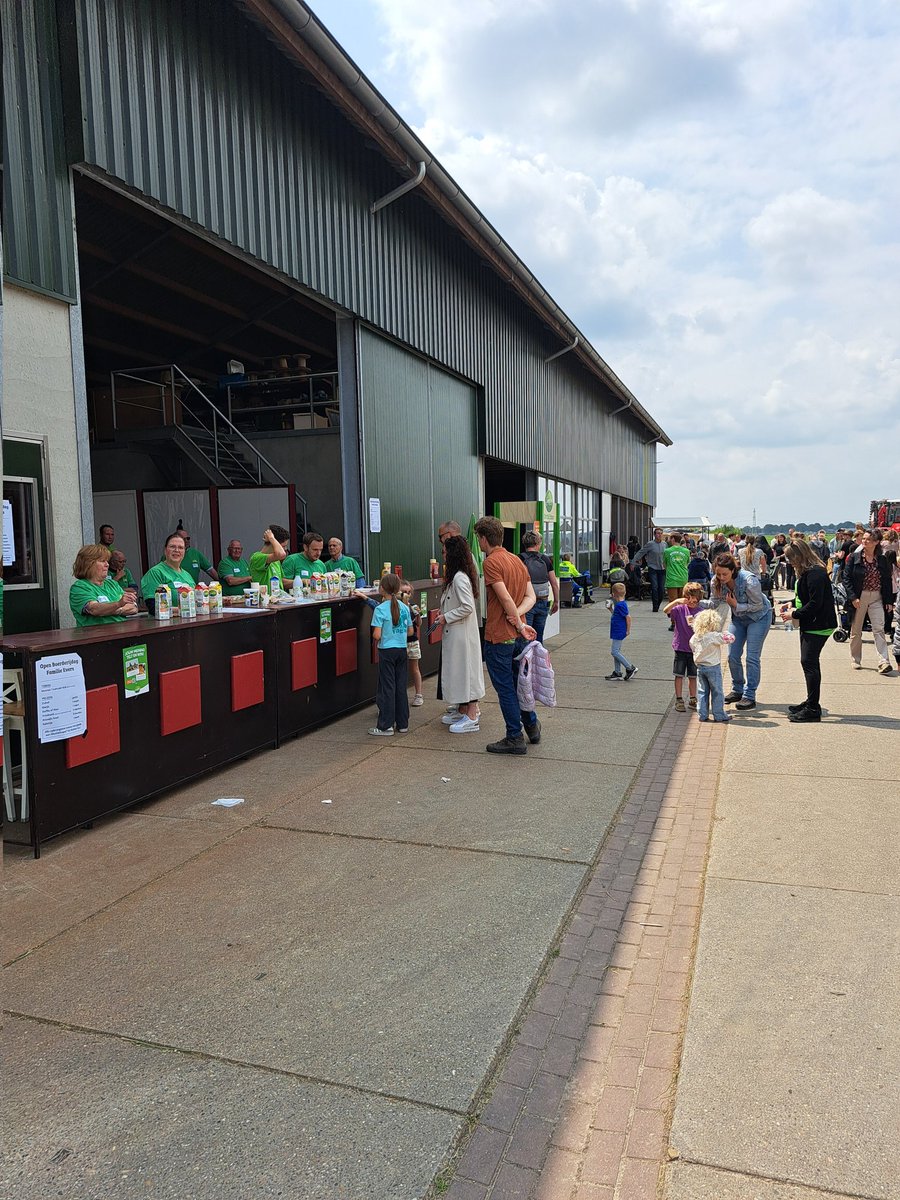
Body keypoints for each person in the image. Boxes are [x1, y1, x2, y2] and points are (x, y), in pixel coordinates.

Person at [475, 515, 538, 755]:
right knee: (518, 683)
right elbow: (530, 597)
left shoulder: (491, 562)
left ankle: (514, 736)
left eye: (478, 539)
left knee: (506, 688)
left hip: (499, 636)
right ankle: (531, 725)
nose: (479, 544)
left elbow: (504, 598)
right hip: (517, 636)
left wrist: (517, 622)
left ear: (483, 538)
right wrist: (519, 620)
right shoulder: (517, 560)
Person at [676, 552, 772, 709]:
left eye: (724, 574)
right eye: (718, 573)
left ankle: (749, 695)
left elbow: (758, 605)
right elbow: (714, 603)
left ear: (733, 570)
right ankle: (737, 689)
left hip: (759, 618)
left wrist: (736, 605)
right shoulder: (716, 581)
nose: (721, 577)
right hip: (739, 619)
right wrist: (696, 602)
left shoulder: (749, 580)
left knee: (752, 657)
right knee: (733, 655)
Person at [780, 540, 838, 722]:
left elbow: (815, 604)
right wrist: (791, 603)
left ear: (799, 556)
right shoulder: (810, 572)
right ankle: (812, 702)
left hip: (818, 624)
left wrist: (794, 613)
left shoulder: (815, 574)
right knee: (808, 663)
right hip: (811, 623)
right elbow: (804, 596)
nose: (789, 562)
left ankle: (813, 708)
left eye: (791, 558)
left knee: (809, 662)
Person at [433, 535, 485, 734]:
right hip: (458, 634)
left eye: (445, 551)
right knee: (462, 672)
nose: (443, 555)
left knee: (466, 672)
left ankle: (471, 715)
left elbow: (467, 607)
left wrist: (446, 616)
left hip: (461, 636)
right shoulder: (459, 576)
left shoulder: (459, 578)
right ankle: (465, 709)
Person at [843, 528, 893, 673]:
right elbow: (846, 579)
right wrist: (853, 597)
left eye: (868, 540)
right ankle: (855, 659)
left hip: (877, 597)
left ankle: (884, 661)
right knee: (856, 630)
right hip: (859, 597)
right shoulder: (854, 557)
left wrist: (888, 600)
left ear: (876, 542)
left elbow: (887, 580)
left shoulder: (882, 559)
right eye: (863, 539)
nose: (864, 541)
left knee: (879, 629)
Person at [367, 573, 412, 736]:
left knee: (387, 687)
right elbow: (410, 631)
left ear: (383, 589)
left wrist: (376, 636)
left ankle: (386, 725)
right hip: (401, 649)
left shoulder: (379, 609)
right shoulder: (405, 608)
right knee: (401, 686)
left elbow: (377, 635)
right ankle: (403, 723)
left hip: (386, 651)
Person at [70, 544, 139, 627]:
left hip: (121, 634)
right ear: (89, 564)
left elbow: (134, 608)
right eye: (103, 561)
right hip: (97, 637)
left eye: (107, 561)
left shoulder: (112, 584)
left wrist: (112, 609)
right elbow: (94, 609)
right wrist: (118, 604)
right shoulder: (79, 587)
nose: (107, 565)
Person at [688, 609, 735, 723]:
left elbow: (692, 646)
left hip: (700, 667)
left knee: (702, 691)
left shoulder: (696, 636)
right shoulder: (713, 636)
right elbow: (731, 638)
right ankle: (719, 714)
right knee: (717, 691)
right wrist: (726, 632)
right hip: (713, 667)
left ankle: (702, 714)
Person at [663, 582, 703, 710]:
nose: (692, 601)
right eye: (689, 597)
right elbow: (666, 610)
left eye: (695, 598)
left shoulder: (701, 612)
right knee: (679, 674)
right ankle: (679, 699)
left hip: (694, 648)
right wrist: (677, 601)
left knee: (693, 676)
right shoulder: (679, 609)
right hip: (680, 647)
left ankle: (693, 698)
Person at [519, 531, 560, 642]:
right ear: (538, 543)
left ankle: (526, 659)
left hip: (526, 602)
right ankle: (538, 658)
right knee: (538, 636)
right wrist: (556, 601)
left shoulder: (520, 559)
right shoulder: (545, 559)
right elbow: (554, 583)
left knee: (525, 637)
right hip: (543, 601)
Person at [139, 533, 197, 605]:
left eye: (181, 547)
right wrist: (180, 611)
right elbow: (153, 606)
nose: (176, 550)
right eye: (172, 547)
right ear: (165, 550)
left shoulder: (188, 575)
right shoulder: (155, 573)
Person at [398, 579, 424, 707]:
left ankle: (419, 694)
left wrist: (418, 615)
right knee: (400, 670)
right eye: (403, 592)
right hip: (400, 642)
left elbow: (419, 624)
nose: (407, 595)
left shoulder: (412, 607)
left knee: (415, 668)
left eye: (408, 592)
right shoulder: (396, 607)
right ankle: (400, 696)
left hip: (413, 641)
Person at [605, 582, 636, 681]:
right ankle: (617, 672)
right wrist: (610, 609)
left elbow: (628, 617)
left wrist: (628, 630)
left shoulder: (621, 605)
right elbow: (617, 615)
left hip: (619, 630)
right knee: (616, 651)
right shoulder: (619, 605)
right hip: (617, 630)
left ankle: (630, 667)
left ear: (613, 595)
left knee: (614, 652)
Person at [633, 528, 667, 612]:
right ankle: (655, 606)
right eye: (657, 533)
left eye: (660, 533)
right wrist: (633, 562)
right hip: (653, 568)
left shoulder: (665, 544)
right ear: (654, 535)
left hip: (662, 569)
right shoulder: (650, 544)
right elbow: (641, 552)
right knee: (654, 587)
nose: (659, 535)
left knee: (661, 589)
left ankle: (658, 603)